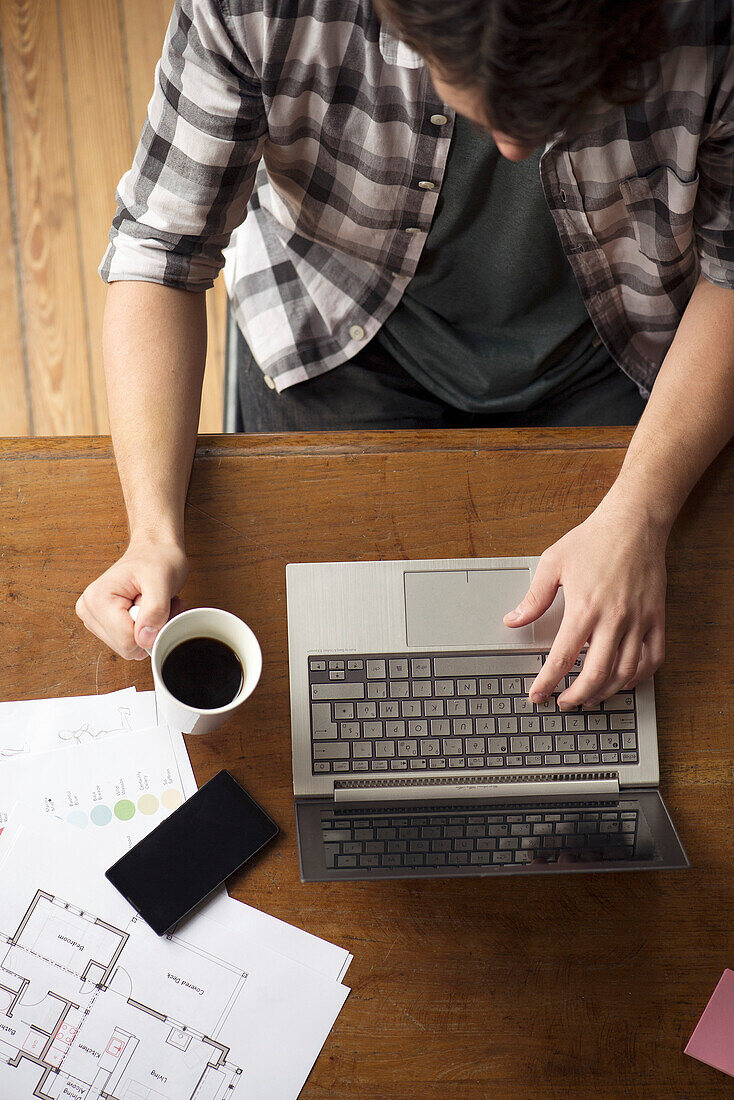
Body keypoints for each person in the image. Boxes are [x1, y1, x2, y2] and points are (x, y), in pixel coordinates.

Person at [76, 0, 734, 713]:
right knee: (315, 652)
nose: (515, 143)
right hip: (334, 331)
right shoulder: (264, 10)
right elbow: (161, 250)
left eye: (559, 106)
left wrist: (639, 516)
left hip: (620, 349)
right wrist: (150, 532)